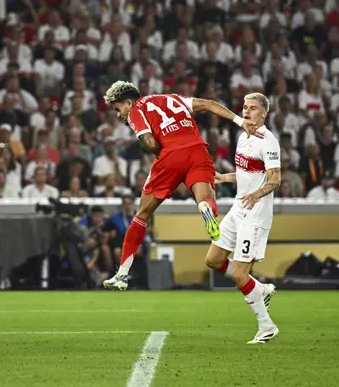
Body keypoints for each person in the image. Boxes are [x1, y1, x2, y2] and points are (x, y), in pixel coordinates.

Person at [101, 81, 262, 291]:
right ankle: (204, 208)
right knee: (206, 199)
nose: (118, 114)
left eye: (117, 108)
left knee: (142, 214)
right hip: (198, 149)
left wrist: (168, 159)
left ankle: (122, 274)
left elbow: (149, 142)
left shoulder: (136, 110)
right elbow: (208, 104)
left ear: (128, 103)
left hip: (170, 154)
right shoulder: (172, 98)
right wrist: (241, 122)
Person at [206, 93, 281, 344]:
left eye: (252, 108)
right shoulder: (242, 136)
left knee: (239, 275)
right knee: (213, 259)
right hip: (238, 209)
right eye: (244, 107)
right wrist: (224, 178)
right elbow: (247, 173)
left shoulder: (268, 142)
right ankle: (260, 289)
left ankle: (266, 326)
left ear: (264, 113)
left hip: (256, 213)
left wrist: (257, 193)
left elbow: (275, 179)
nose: (246, 112)